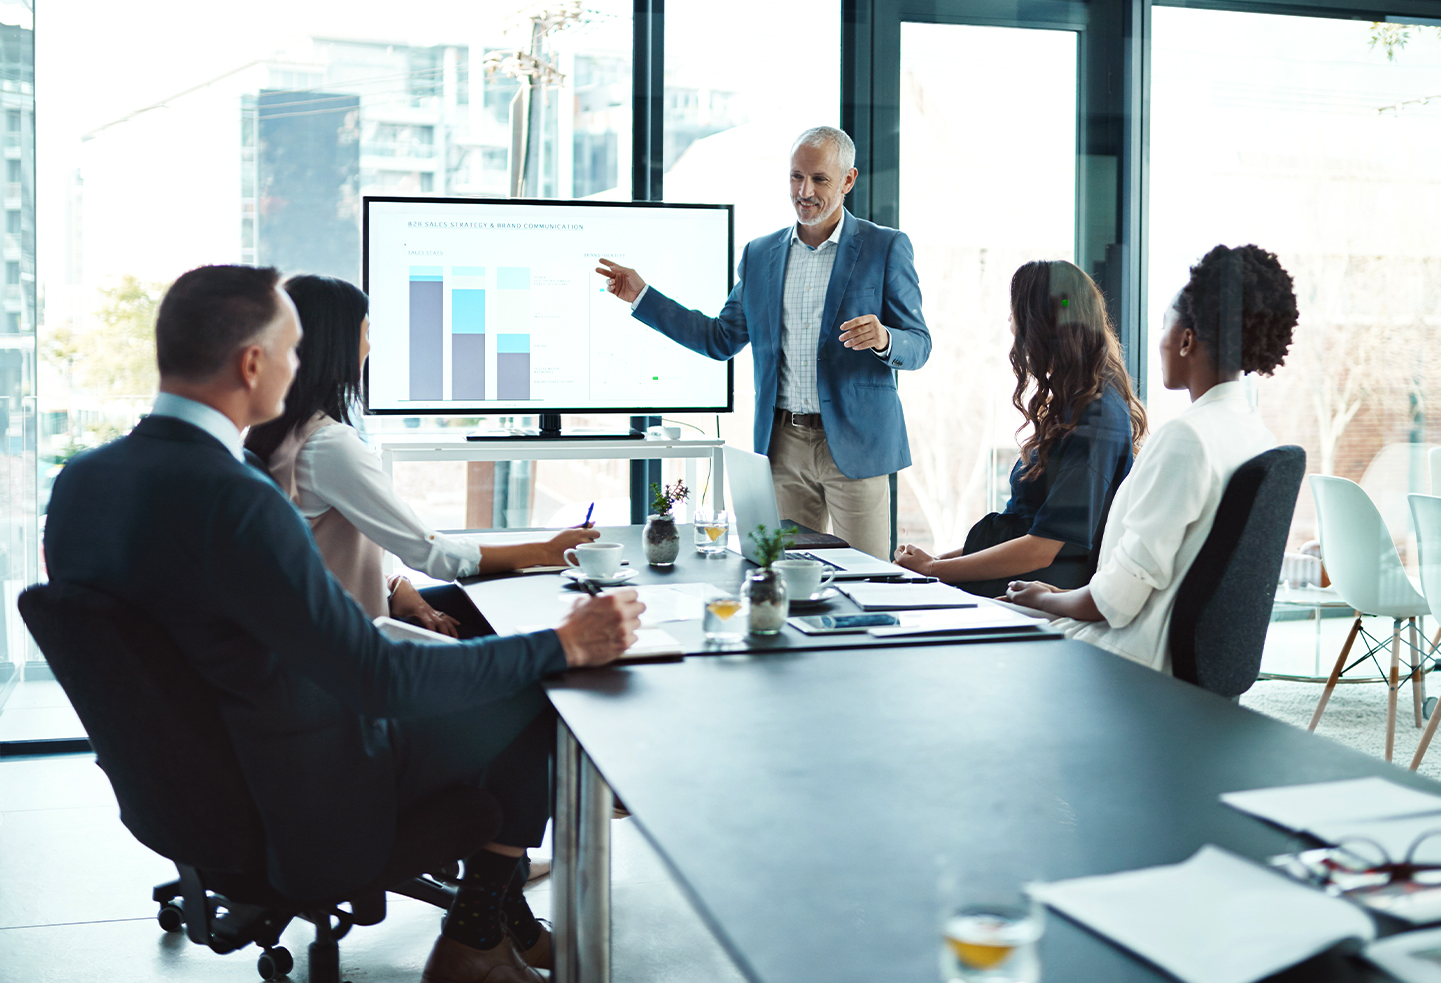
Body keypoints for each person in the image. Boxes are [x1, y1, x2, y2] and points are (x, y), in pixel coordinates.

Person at [43, 265, 643, 983]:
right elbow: (377, 679)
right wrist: (563, 643)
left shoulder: (82, 481)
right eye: (292, 352)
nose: (300, 369)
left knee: (493, 666)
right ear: (254, 362)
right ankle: (475, 937)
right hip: (307, 788)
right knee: (541, 690)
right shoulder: (236, 500)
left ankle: (493, 921)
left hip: (193, 787)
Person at [594, 125, 930, 558]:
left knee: (866, 577)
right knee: (786, 575)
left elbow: (919, 344)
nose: (804, 191)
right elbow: (719, 339)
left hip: (857, 445)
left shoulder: (885, 247)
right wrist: (643, 295)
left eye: (820, 179)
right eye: (796, 176)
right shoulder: (759, 254)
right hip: (782, 447)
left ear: (848, 180)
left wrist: (885, 338)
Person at [244, 274, 598, 638]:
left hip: (324, 627)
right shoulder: (328, 446)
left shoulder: (278, 433)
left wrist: (395, 585)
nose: (369, 348)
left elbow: (320, 555)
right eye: (366, 335)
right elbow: (434, 555)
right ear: (337, 345)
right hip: (356, 645)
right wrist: (547, 550)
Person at [1007, 245, 1298, 672]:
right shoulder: (1257, 435)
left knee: (969, 631)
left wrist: (1045, 598)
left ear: (1186, 339)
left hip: (1126, 659)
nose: (1159, 339)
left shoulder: (1187, 439)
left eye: (1164, 325)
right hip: (1167, 656)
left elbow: (1115, 603)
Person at [892, 261, 1143, 597]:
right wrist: (932, 564)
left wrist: (935, 570)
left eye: (1016, 315)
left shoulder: (1097, 417)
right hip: (1020, 579)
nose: (1011, 324)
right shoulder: (1074, 403)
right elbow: (1020, 532)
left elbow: (1042, 548)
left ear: (1041, 326)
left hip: (1036, 589)